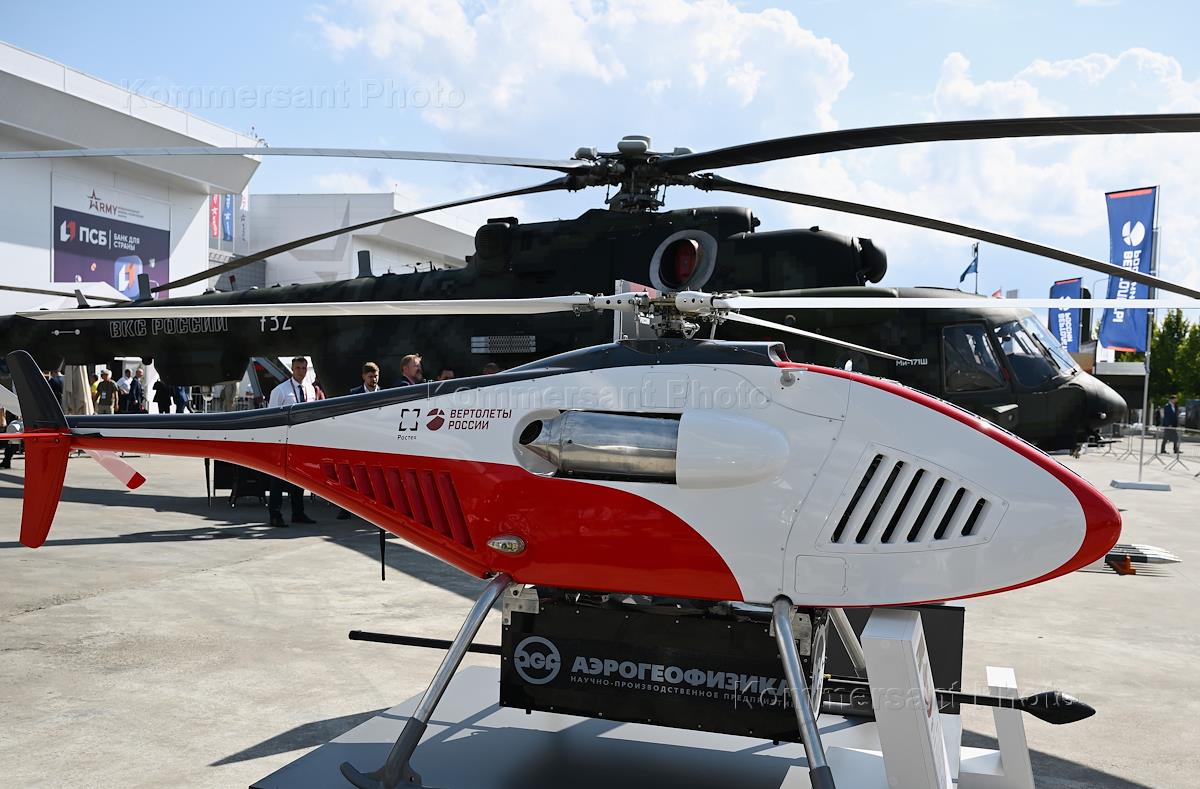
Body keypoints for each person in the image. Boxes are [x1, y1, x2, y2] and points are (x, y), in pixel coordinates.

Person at [266, 357, 317, 527]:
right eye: (298, 368)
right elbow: (272, 416)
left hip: (302, 441)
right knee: (278, 480)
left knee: (299, 478)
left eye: (304, 368)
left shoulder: (310, 389)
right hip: (283, 441)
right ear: (292, 369)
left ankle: (298, 512)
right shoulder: (280, 390)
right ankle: (275, 514)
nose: (301, 371)